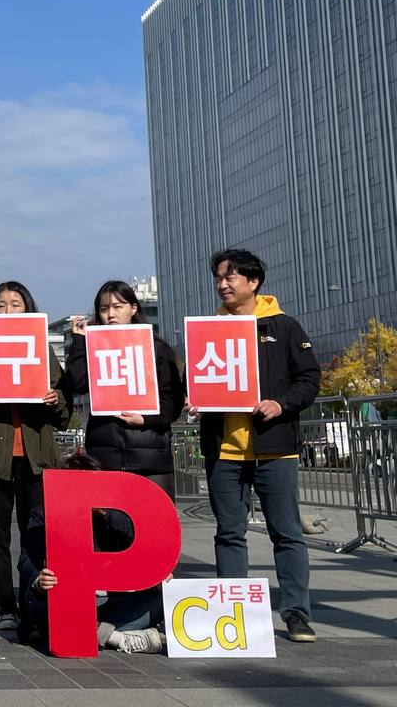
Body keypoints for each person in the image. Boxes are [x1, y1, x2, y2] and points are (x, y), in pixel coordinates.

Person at [193, 249, 321, 643]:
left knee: (286, 533)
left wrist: (280, 403)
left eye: (230, 277)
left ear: (254, 282)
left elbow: (310, 378)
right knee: (229, 533)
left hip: (274, 448)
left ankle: (296, 613)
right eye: (218, 278)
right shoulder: (209, 329)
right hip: (224, 449)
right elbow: (195, 378)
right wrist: (194, 397)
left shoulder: (283, 326)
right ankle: (233, 615)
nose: (223, 284)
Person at [0, 280, 68, 633]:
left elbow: (64, 404)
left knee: (35, 533)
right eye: (2, 305)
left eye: (16, 304)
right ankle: (1, 606)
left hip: (37, 456)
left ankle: (35, 603)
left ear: (28, 308)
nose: (8, 310)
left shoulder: (40, 347)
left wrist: (57, 400)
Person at [18, 453, 165, 653]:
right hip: (66, 601)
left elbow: (145, 554)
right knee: (35, 601)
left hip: (108, 599)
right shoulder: (43, 514)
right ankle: (117, 637)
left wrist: (156, 575)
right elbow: (26, 560)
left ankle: (96, 632)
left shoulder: (116, 516)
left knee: (159, 600)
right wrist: (39, 579)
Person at [60, 280, 186, 497]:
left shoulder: (158, 349)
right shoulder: (94, 348)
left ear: (133, 309)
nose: (111, 314)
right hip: (104, 454)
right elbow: (77, 384)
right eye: (104, 309)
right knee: (108, 525)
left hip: (150, 455)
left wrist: (145, 420)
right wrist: (79, 341)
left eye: (118, 307)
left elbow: (172, 403)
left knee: (153, 524)